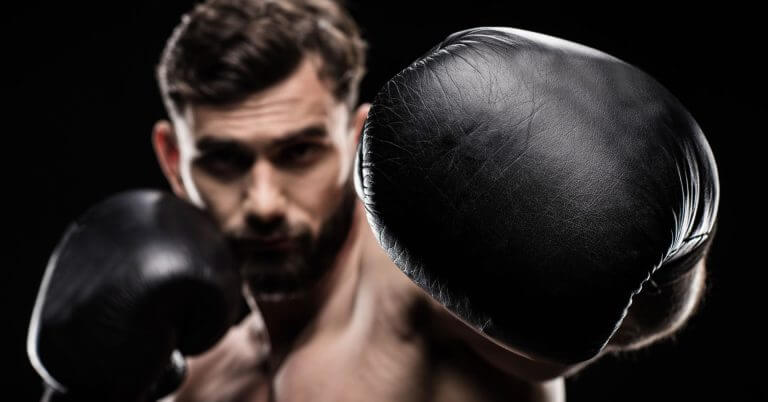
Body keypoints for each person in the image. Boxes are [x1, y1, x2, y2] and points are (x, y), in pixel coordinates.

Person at [27, 0, 719, 401]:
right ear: (174, 162)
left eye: (299, 152)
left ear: (359, 142)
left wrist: (672, 278)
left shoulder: (417, 299)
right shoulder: (193, 372)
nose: (263, 201)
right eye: (226, 160)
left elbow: (615, 321)